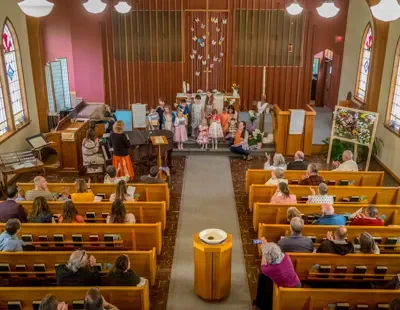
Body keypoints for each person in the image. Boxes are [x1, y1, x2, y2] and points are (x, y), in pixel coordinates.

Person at [254, 238, 301, 310]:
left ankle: (262, 305)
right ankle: (259, 302)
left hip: (286, 291)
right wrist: (267, 246)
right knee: (263, 278)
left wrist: (264, 251)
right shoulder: (286, 256)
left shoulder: (270, 269)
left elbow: (263, 266)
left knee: (262, 278)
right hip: (297, 283)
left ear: (268, 257)